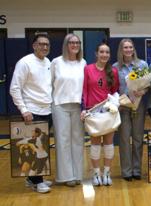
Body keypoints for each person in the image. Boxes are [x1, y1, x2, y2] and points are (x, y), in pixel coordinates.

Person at [9, 33, 53, 193]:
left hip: (47, 109)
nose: (44, 47)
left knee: (42, 147)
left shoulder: (47, 62)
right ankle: (37, 182)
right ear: (34, 45)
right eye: (41, 44)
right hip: (32, 112)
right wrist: (24, 109)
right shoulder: (25, 62)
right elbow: (14, 88)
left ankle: (32, 179)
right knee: (35, 147)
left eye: (47, 44)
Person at [51, 34, 86, 186]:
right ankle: (66, 176)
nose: (74, 45)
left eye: (77, 42)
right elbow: (49, 83)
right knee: (63, 141)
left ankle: (77, 174)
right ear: (66, 45)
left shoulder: (83, 62)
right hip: (60, 105)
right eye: (71, 42)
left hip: (78, 106)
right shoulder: (56, 62)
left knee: (78, 140)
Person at [82, 43, 119, 186]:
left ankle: (107, 172)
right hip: (93, 112)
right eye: (102, 52)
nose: (104, 54)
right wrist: (84, 109)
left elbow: (115, 91)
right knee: (95, 144)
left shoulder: (113, 71)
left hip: (109, 112)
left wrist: (114, 105)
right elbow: (84, 90)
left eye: (107, 52)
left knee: (109, 143)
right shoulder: (87, 69)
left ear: (109, 55)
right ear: (96, 53)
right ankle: (96, 173)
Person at [113, 39, 149, 181]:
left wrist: (143, 91)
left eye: (130, 47)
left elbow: (147, 84)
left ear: (133, 49)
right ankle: (127, 171)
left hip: (139, 106)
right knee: (124, 139)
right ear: (121, 50)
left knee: (138, 138)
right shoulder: (116, 67)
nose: (128, 50)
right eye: (125, 47)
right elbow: (114, 88)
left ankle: (137, 169)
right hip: (123, 107)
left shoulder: (142, 65)